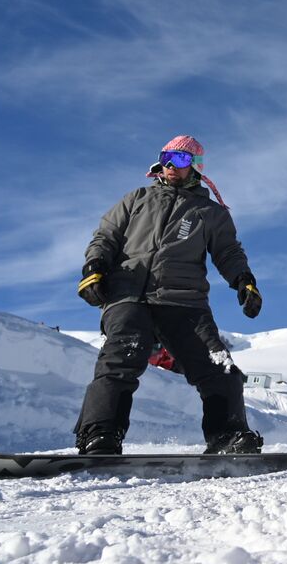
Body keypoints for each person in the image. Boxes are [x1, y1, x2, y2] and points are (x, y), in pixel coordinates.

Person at [73, 135, 265, 455]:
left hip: (184, 300)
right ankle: (100, 434)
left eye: (182, 160)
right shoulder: (136, 199)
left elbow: (229, 252)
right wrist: (94, 268)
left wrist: (244, 281)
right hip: (128, 294)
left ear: (196, 168)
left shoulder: (210, 212)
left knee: (218, 367)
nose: (172, 166)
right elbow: (105, 237)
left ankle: (227, 436)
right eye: (167, 158)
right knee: (122, 357)